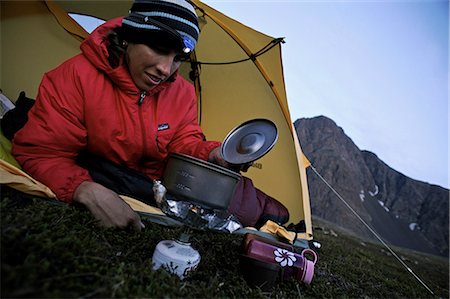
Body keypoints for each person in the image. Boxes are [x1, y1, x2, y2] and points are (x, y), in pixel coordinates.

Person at [12, 0, 228, 231]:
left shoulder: (183, 92)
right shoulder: (75, 77)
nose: (165, 70)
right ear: (129, 38)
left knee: (246, 198)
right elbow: (42, 153)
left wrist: (212, 153)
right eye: (159, 48)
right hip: (100, 183)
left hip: (153, 195)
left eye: (177, 58)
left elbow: (183, 140)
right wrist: (82, 188)